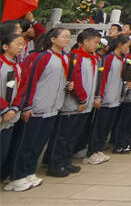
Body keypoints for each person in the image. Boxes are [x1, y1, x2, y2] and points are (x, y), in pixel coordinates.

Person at [5, 28, 71, 192]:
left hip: (53, 107)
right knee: (27, 143)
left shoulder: (64, 57)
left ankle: (29, 172)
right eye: (64, 36)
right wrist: (27, 105)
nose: (67, 39)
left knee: (39, 143)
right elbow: (30, 81)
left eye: (69, 37)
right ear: (53, 39)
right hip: (36, 107)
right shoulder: (43, 57)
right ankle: (16, 176)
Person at [47, 28, 102, 177]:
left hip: (86, 105)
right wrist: (81, 99)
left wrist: (94, 97)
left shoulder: (93, 58)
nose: (96, 46)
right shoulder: (75, 57)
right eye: (95, 42)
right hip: (73, 104)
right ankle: (55, 164)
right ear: (85, 42)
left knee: (73, 136)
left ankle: (66, 161)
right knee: (64, 135)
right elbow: (74, 80)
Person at [0, 30, 24, 181]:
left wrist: (14, 108)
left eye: (22, 45)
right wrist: (4, 109)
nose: (21, 47)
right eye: (17, 44)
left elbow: (20, 89)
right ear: (5, 47)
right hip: (4, 112)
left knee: (4, 150)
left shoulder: (17, 67)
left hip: (11, 115)